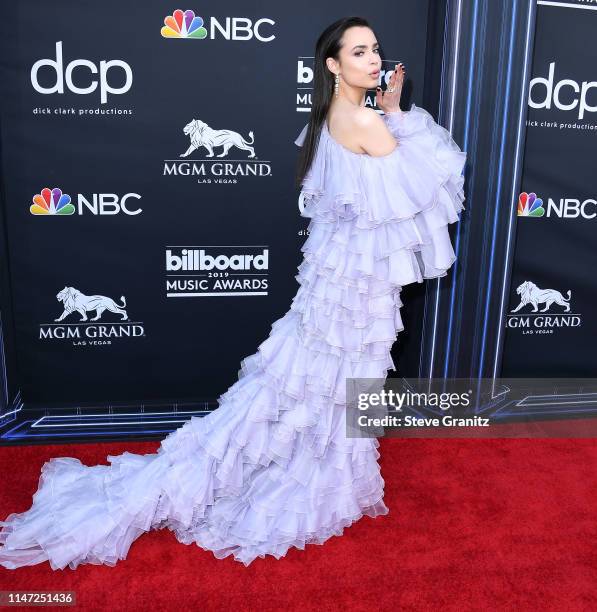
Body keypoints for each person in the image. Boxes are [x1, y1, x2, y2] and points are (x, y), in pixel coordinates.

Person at [0, 16, 466, 570]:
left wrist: (386, 112)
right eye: (359, 52)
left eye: (375, 50)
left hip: (340, 285)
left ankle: (301, 463)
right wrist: (393, 110)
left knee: (317, 378)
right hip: (352, 291)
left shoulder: (327, 117)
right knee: (335, 378)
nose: (373, 60)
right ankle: (303, 473)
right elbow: (430, 180)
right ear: (333, 66)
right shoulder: (364, 122)